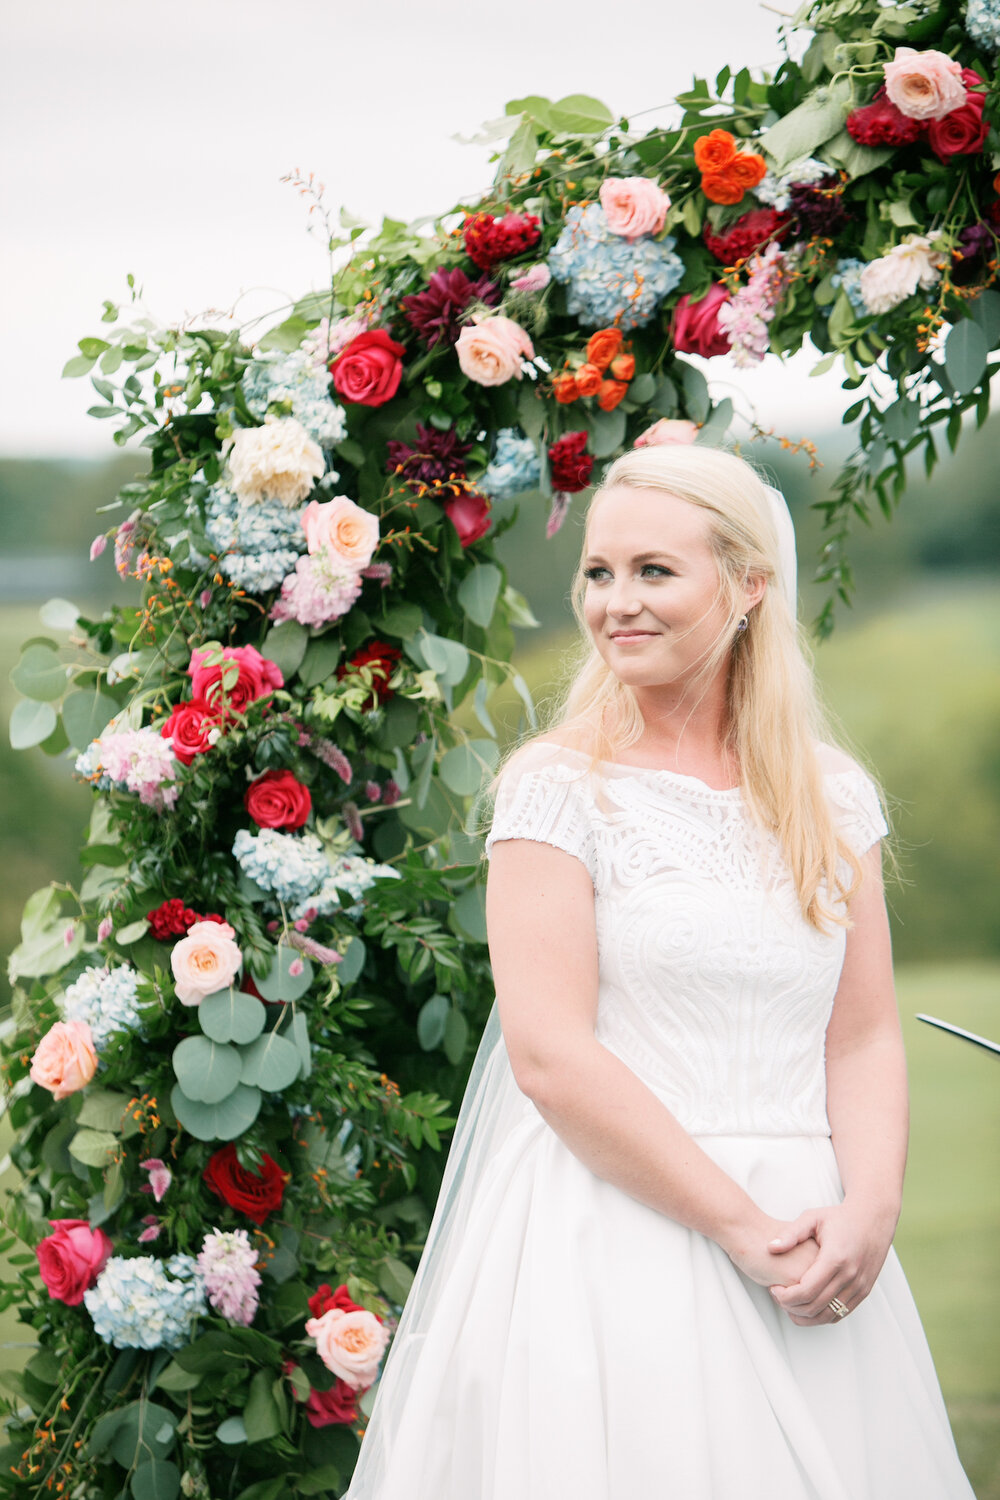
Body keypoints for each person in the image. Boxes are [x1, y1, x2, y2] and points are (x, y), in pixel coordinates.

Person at [346, 445, 974, 1499]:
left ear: (746, 586)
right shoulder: (557, 789)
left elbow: (859, 1034)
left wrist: (867, 1210)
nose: (613, 604)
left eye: (653, 572)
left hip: (814, 1237)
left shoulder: (833, 795)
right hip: (615, 1234)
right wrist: (738, 1226)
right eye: (598, 572)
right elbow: (549, 1055)